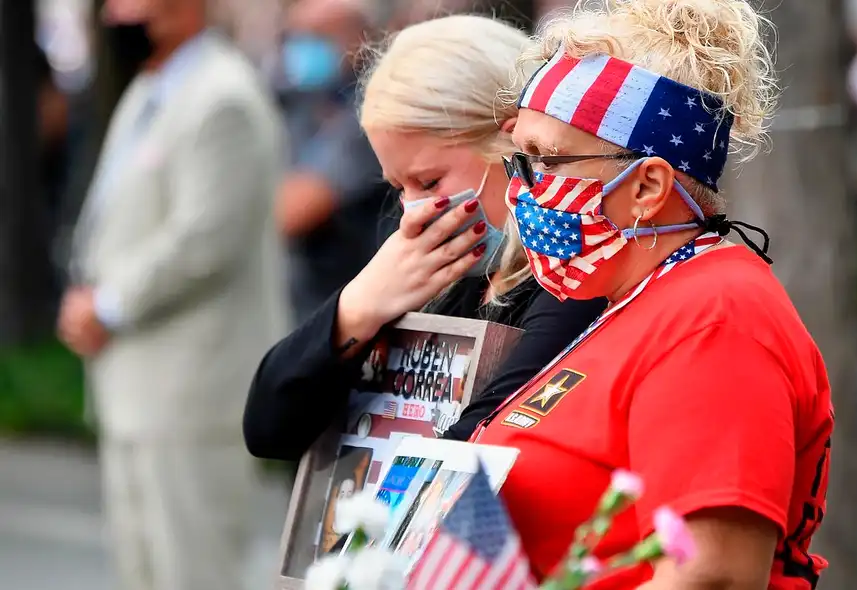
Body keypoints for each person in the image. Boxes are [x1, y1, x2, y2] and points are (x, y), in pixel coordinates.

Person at [471, 1, 835, 589]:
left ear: (646, 185)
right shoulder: (638, 298)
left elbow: (711, 575)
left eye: (549, 160)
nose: (521, 188)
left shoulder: (717, 318)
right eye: (522, 157)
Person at [242, 15, 608, 460]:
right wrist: (356, 308)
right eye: (399, 189)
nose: (413, 210)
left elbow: (479, 443)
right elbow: (269, 429)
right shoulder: (447, 279)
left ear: (514, 144)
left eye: (430, 182)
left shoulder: (577, 273)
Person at [58, 0, 286, 588]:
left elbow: (205, 239)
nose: (114, 14)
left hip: (191, 393)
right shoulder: (152, 87)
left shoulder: (223, 98)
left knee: (195, 573)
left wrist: (106, 305)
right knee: (144, 573)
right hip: (138, 385)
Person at [274, 0, 394, 322]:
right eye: (294, 36)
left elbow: (295, 210)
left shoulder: (372, 110)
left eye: (317, 35)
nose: (300, 48)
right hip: (303, 299)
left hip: (351, 299)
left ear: (358, 37)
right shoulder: (303, 103)